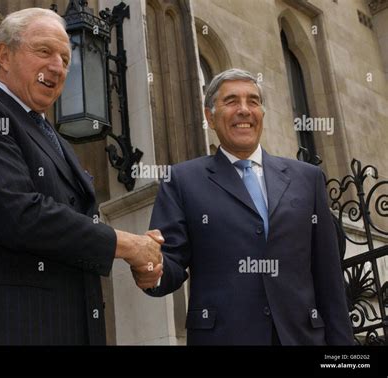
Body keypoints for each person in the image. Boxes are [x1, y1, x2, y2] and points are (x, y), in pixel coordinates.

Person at [0, 8, 163, 345]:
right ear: (5, 55)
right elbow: (17, 214)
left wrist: (142, 254)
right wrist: (127, 245)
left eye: (66, 58)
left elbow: (74, 229)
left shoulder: (55, 139)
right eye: (44, 51)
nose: (58, 67)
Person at [137, 68, 353, 345]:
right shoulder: (182, 180)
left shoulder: (307, 179)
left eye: (253, 101)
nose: (244, 110)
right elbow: (170, 262)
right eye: (231, 101)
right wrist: (150, 268)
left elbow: (330, 279)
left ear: (262, 114)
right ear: (209, 117)